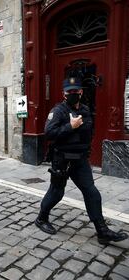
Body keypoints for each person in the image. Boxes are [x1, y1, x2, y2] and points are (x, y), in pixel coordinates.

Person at [35, 77, 128, 245]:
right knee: (56, 193)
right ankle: (41, 218)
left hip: (80, 161)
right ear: (64, 94)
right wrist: (70, 127)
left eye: (75, 91)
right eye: (69, 92)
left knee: (92, 192)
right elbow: (49, 133)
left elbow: (88, 134)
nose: (73, 94)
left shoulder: (85, 110)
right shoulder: (58, 111)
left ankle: (102, 231)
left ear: (81, 92)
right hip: (62, 160)